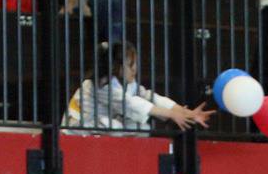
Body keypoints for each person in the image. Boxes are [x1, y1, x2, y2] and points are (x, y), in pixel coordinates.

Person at [64, 42, 212, 131]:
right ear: (116, 66)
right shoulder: (100, 85)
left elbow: (151, 98)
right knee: (117, 127)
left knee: (140, 127)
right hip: (78, 131)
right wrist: (173, 115)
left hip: (99, 129)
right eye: (130, 65)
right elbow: (132, 104)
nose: (135, 69)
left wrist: (187, 113)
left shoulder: (128, 84)